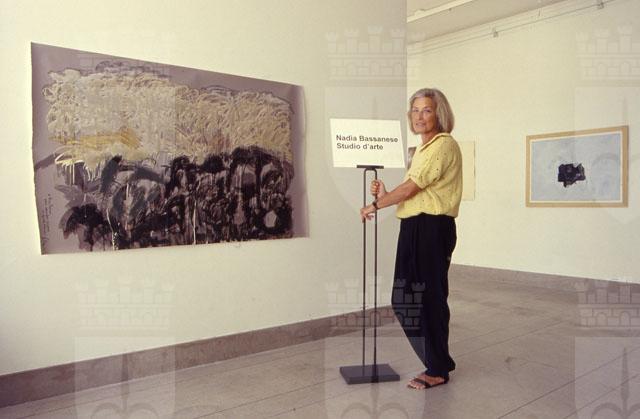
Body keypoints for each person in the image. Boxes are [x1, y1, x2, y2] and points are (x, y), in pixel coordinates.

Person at [360, 88, 462, 390]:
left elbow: (412, 188)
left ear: (439, 114)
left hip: (431, 227)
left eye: (426, 110)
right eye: (415, 110)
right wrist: (385, 193)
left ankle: (437, 368)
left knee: (428, 297)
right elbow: (412, 190)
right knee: (404, 297)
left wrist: (376, 204)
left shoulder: (443, 144)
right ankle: (437, 360)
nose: (419, 116)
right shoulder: (423, 150)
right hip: (414, 225)